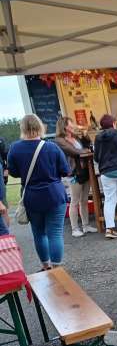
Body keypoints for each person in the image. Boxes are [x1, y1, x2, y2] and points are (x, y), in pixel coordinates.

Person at [8, 115, 70, 269]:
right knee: (55, 233)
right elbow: (65, 171)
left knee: (39, 233)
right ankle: (57, 268)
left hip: (32, 197)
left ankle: (45, 265)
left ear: (22, 128)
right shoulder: (51, 147)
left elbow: (14, 173)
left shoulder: (15, 148)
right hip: (54, 195)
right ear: (40, 126)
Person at [53, 117, 95, 237]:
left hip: (85, 170)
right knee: (75, 201)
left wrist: (86, 135)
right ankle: (75, 228)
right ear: (65, 126)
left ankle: (86, 226)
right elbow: (73, 151)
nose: (74, 125)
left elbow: (88, 146)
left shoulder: (75, 137)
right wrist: (84, 150)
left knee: (84, 200)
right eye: (71, 123)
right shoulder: (59, 140)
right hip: (73, 172)